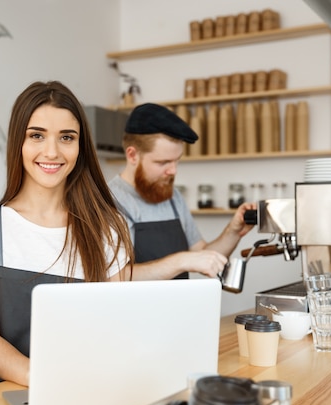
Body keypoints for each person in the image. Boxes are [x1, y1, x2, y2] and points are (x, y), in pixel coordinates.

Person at [0, 81, 134, 388]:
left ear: (80, 147)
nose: (52, 152)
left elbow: (115, 327)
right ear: (17, 143)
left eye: (67, 137)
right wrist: (46, 380)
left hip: (77, 395)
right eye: (36, 135)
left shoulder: (106, 228)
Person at [109, 103, 257, 280]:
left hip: (179, 307)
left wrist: (233, 231)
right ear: (132, 155)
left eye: (176, 160)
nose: (173, 171)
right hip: (136, 308)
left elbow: (202, 253)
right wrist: (181, 261)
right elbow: (118, 276)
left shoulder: (172, 197)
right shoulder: (108, 200)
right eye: (163, 162)